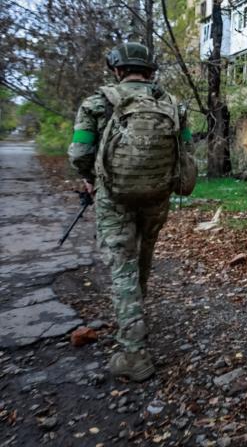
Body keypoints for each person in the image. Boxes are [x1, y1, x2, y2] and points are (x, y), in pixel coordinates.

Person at [68, 42, 191, 382]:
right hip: (157, 194)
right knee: (144, 254)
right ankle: (135, 313)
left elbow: (79, 152)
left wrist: (91, 179)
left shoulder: (97, 102)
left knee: (122, 263)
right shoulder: (173, 104)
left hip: (114, 197)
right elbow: (187, 148)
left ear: (117, 70)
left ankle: (134, 353)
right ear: (150, 71)